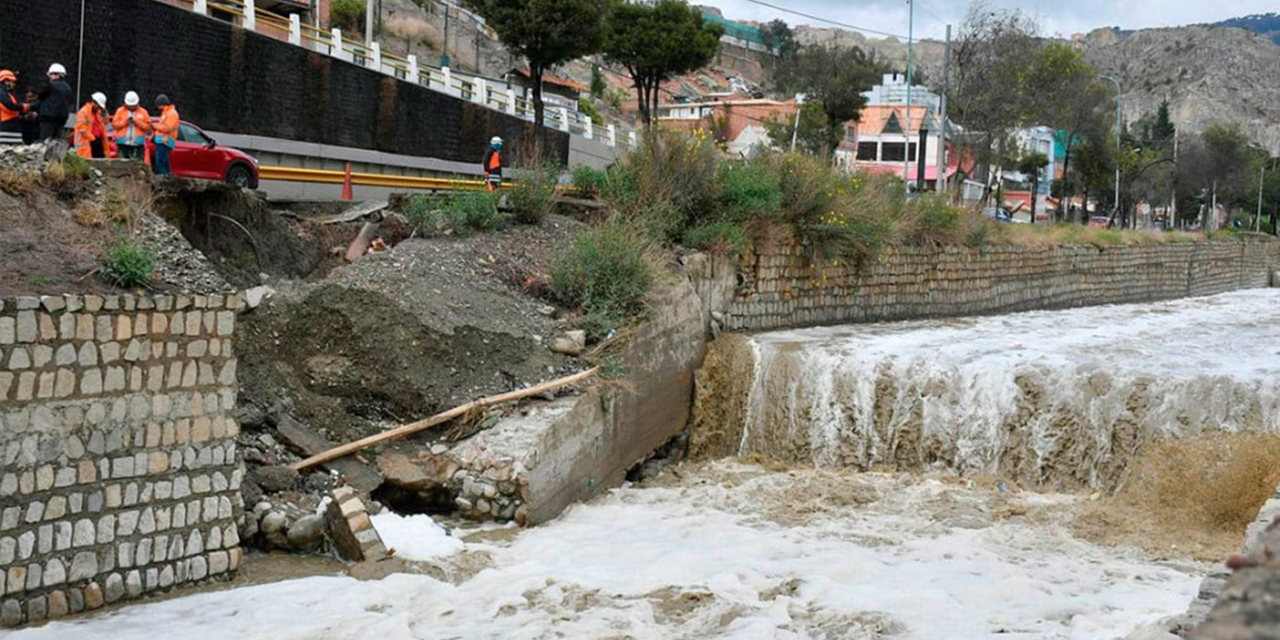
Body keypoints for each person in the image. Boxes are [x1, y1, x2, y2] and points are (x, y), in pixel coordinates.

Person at [36, 63, 72, 142]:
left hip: (47, 118)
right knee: (56, 142)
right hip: (61, 118)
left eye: (53, 74)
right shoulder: (68, 88)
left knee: (46, 141)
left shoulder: (50, 86)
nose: (51, 76)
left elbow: (40, 97)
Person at [112, 91, 151, 160]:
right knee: (123, 164)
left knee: (138, 165)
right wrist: (125, 122)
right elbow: (114, 125)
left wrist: (137, 122)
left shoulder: (143, 112)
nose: (131, 107)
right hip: (122, 143)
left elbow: (147, 127)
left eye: (133, 105)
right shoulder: (120, 111)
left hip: (138, 144)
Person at [151, 94, 179, 176]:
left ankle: (163, 180)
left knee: (161, 162)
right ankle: (165, 180)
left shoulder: (172, 113)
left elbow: (167, 128)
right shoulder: (166, 113)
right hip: (162, 141)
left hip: (165, 141)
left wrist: (155, 125)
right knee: (163, 162)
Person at [73, 92, 108, 159]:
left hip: (96, 141)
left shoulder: (98, 113)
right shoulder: (83, 112)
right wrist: (92, 138)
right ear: (95, 103)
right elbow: (82, 128)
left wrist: (105, 114)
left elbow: (104, 124)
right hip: (87, 142)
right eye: (99, 106)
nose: (99, 109)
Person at [0, 70, 30, 140]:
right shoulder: (2, 93)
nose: (14, 84)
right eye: (12, 81)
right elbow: (10, 106)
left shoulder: (7, 93)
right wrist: (24, 107)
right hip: (6, 128)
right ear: (6, 81)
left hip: (10, 126)